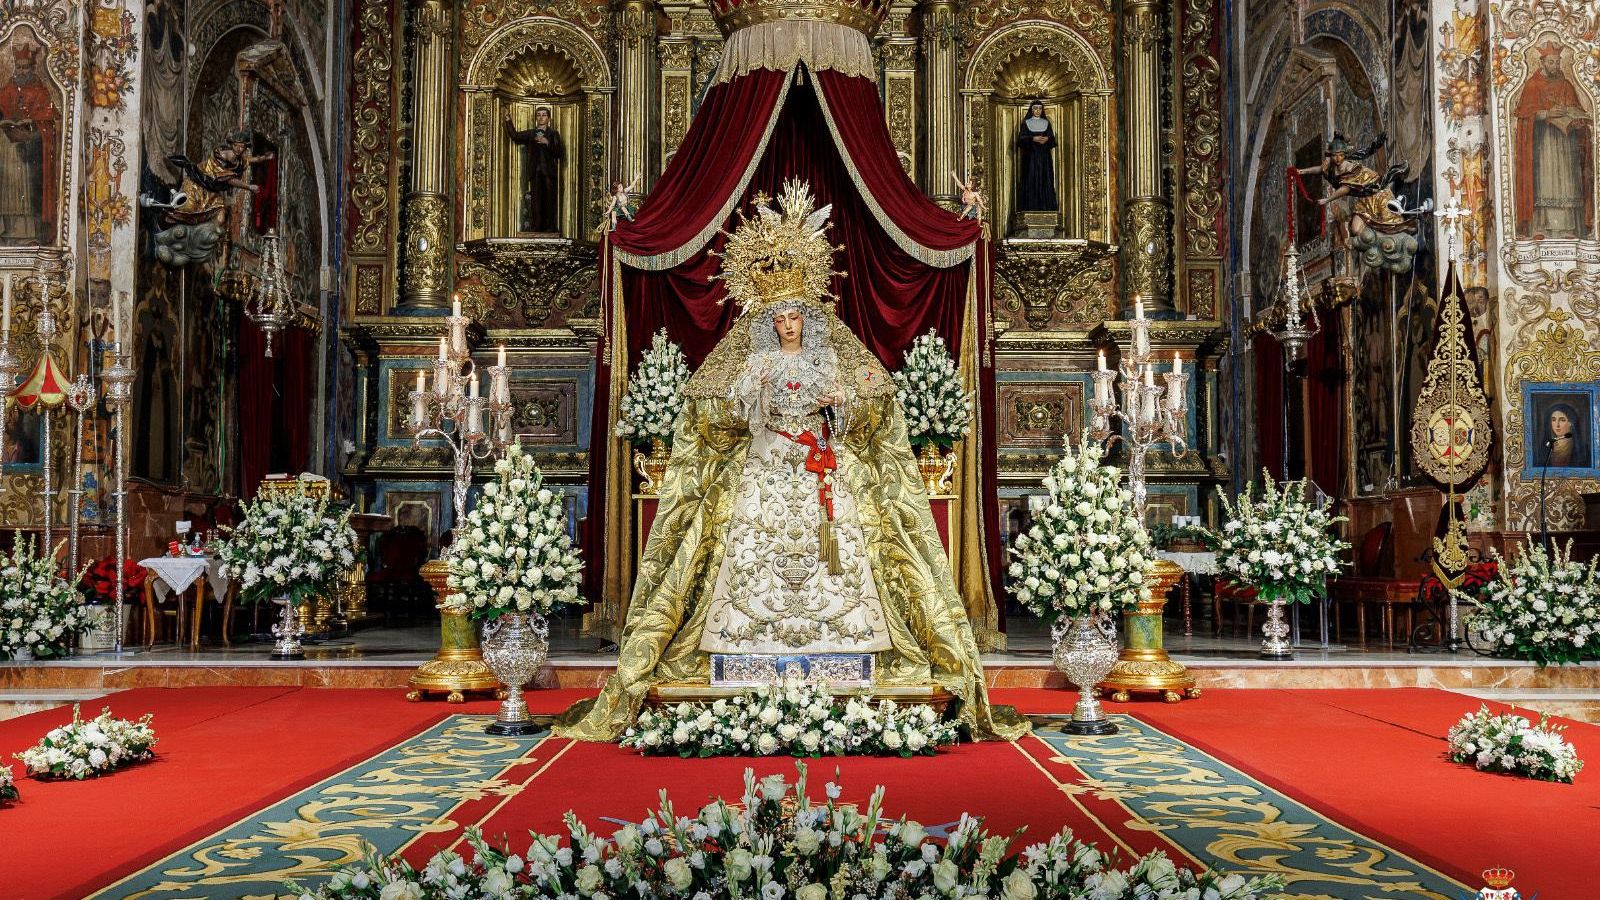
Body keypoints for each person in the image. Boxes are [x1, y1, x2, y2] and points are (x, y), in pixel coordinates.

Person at [555, 180, 1026, 742]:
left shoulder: (832, 355)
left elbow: (875, 397)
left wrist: (840, 404)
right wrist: (749, 401)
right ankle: (740, 644)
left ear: (807, 316)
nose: (787, 325)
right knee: (742, 542)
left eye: (794, 317)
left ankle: (849, 642)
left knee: (852, 544)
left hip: (821, 462)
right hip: (763, 461)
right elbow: (715, 405)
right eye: (777, 319)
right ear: (768, 321)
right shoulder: (752, 360)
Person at [1514, 44, 1594, 239]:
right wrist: (1546, 113)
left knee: (1567, 180)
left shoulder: (1566, 84)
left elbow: (1576, 107)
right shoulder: (1533, 85)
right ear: (1542, 62)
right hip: (1544, 142)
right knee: (1546, 180)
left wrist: (1574, 115)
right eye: (1551, 62)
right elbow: (1524, 113)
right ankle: (1541, 228)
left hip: (1566, 143)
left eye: (1558, 62)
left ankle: (1568, 229)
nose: (1555, 65)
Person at [0, 40, 60, 245]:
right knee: (8, 191)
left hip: (29, 155)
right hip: (8, 153)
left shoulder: (42, 92)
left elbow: (49, 125)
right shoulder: (6, 90)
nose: (22, 71)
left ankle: (30, 234)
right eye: (19, 67)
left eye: (26, 67)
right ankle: (8, 230)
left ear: (33, 67)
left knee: (27, 192)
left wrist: (33, 128)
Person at [505, 106, 563, 233]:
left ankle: (550, 227)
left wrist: (548, 143)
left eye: (544, 115)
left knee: (549, 200)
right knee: (536, 200)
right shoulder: (531, 133)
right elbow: (515, 136)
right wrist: (508, 120)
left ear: (549, 118)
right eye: (538, 115)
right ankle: (536, 226)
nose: (541, 117)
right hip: (535, 171)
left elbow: (559, 153)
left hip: (548, 172)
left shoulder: (553, 134)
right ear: (535, 118)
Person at [1015, 100, 1058, 212]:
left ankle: (1045, 208)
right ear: (1032, 110)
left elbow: (1053, 140)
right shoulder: (1026, 123)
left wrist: (1047, 139)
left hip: (1044, 159)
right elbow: (1020, 140)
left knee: (1045, 181)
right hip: (1030, 159)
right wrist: (1032, 139)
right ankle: (1030, 208)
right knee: (1030, 180)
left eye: (1040, 108)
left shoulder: (1046, 123)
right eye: (1035, 108)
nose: (1038, 110)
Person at [1543, 402, 1587, 469]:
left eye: (1562, 420)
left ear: (1571, 423)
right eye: (1553, 420)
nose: (1557, 425)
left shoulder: (1581, 449)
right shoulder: (1546, 446)